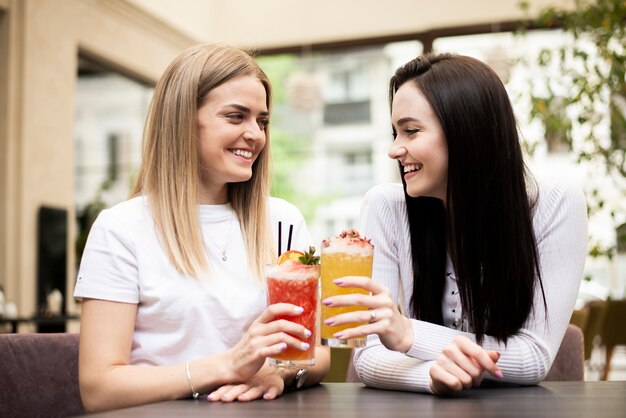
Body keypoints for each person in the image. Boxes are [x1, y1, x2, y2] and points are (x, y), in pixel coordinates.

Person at [74, 44, 329, 412]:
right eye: (236, 116)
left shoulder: (283, 222)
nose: (255, 135)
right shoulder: (120, 229)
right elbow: (99, 388)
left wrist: (281, 374)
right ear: (182, 120)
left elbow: (315, 353)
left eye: (262, 121)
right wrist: (226, 365)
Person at [322, 53, 587, 394]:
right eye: (395, 133)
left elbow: (533, 356)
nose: (394, 150)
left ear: (466, 131)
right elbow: (369, 355)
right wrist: (431, 377)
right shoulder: (385, 206)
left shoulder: (554, 202)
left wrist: (408, 335)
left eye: (411, 131)